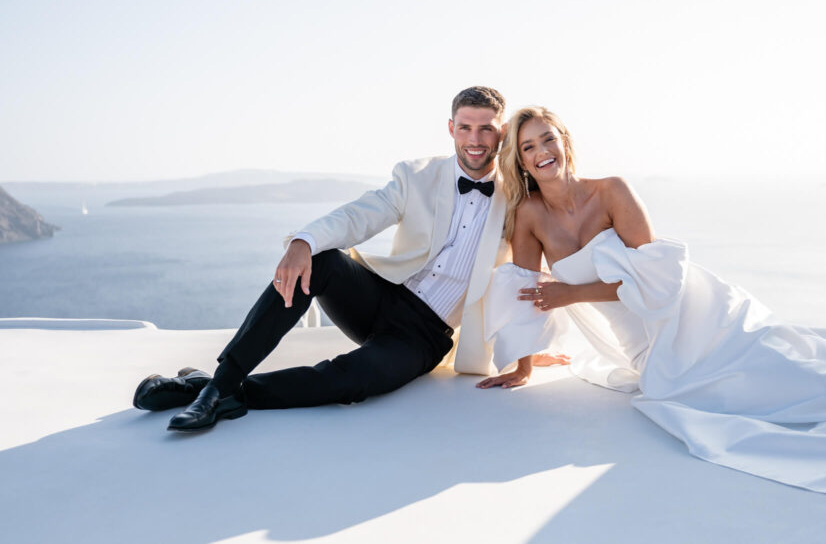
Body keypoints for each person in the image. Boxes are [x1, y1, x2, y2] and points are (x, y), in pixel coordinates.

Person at [476, 105, 826, 505]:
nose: (541, 152)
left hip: (693, 313)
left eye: (547, 139)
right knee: (688, 390)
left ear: (564, 141)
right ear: (520, 160)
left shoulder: (611, 191)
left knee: (799, 378)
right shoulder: (529, 216)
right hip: (644, 346)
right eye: (528, 147)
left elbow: (661, 280)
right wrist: (523, 364)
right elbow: (528, 292)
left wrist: (572, 292)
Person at [133, 86, 560, 432]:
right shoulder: (416, 175)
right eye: (465, 128)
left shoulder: (520, 197)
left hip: (424, 336)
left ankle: (209, 391)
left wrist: (525, 350)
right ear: (451, 128)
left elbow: (528, 272)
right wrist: (303, 241)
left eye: (486, 130)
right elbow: (359, 215)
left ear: (501, 133)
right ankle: (219, 386)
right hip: (382, 297)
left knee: (352, 383)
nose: (475, 140)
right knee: (320, 260)